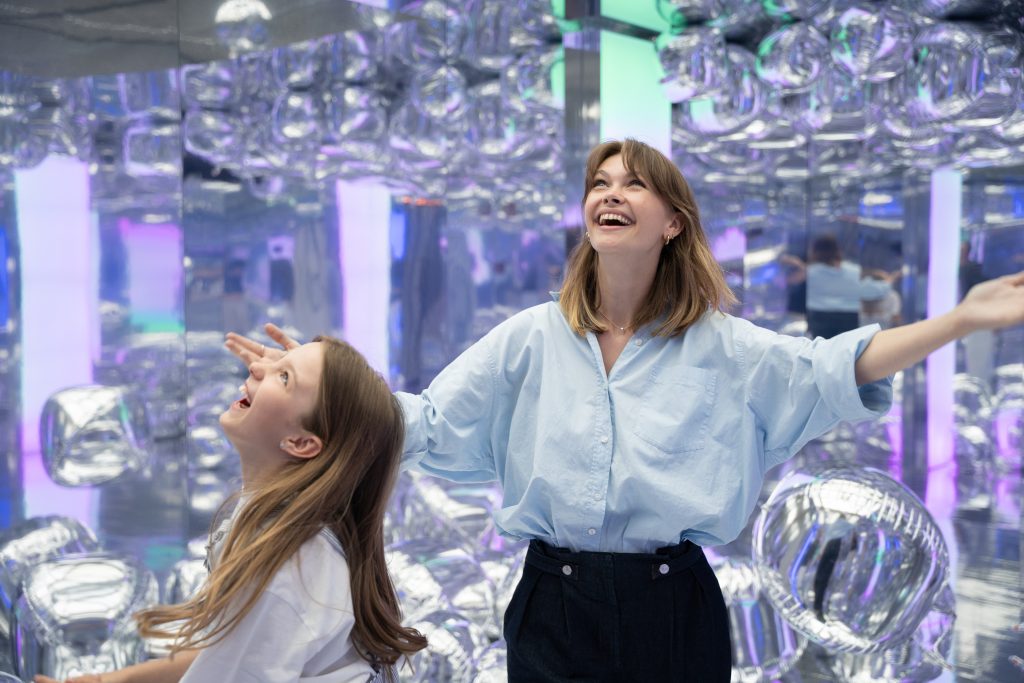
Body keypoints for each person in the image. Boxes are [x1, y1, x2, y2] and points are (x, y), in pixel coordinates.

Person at [227, 139, 1024, 682]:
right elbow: (426, 421)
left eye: (634, 183)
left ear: (673, 222)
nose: (610, 193)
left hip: (672, 606)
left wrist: (959, 319)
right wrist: (315, 390)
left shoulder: (724, 346)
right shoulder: (531, 338)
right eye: (599, 184)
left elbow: (834, 368)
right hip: (553, 602)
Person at [37, 337, 426, 683]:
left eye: (283, 376)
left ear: (300, 442)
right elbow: (228, 655)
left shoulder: (286, 565)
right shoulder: (281, 529)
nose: (256, 367)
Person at [795, 233, 899, 339]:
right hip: (848, 318)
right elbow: (869, 291)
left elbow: (791, 282)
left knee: (820, 346)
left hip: (819, 317)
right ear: (838, 250)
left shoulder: (811, 271)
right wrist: (888, 282)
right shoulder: (852, 270)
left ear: (814, 251)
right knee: (846, 346)